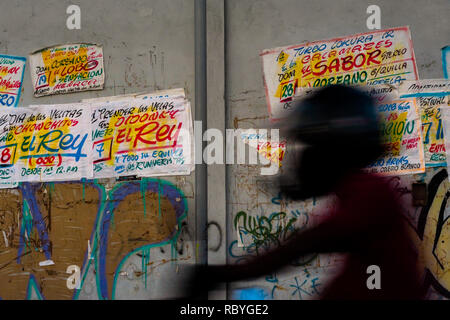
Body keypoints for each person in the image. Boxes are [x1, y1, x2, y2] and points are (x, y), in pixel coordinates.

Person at [187, 85, 427, 300]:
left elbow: (307, 243)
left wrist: (225, 274)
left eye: (309, 147)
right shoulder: (357, 194)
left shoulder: (370, 193)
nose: (301, 160)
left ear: (331, 149)